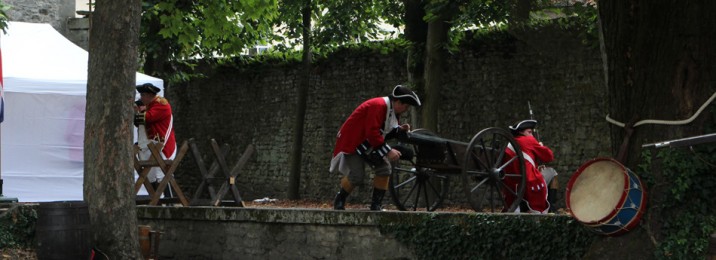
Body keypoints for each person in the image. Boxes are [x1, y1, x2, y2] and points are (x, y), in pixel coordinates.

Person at [330, 85, 421, 211]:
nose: (406, 110)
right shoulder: (378, 106)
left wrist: (399, 129)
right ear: (398, 102)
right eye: (405, 106)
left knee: (384, 169)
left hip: (367, 143)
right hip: (353, 142)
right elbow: (372, 133)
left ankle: (375, 205)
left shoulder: (391, 110)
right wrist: (388, 151)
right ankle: (339, 199)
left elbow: (384, 131)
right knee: (357, 175)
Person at [134, 83, 177, 198]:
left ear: (149, 95)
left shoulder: (161, 104)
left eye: (143, 95)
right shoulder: (148, 106)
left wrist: (137, 111)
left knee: (162, 175)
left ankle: (169, 202)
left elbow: (148, 118)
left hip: (161, 145)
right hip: (150, 146)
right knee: (150, 176)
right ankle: (156, 200)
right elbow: (138, 123)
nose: (141, 98)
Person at [502, 119, 554, 213]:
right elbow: (549, 157)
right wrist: (540, 146)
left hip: (511, 185)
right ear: (521, 132)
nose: (532, 135)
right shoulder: (529, 140)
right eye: (529, 132)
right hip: (529, 181)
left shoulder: (510, 143)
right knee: (553, 173)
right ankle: (551, 209)